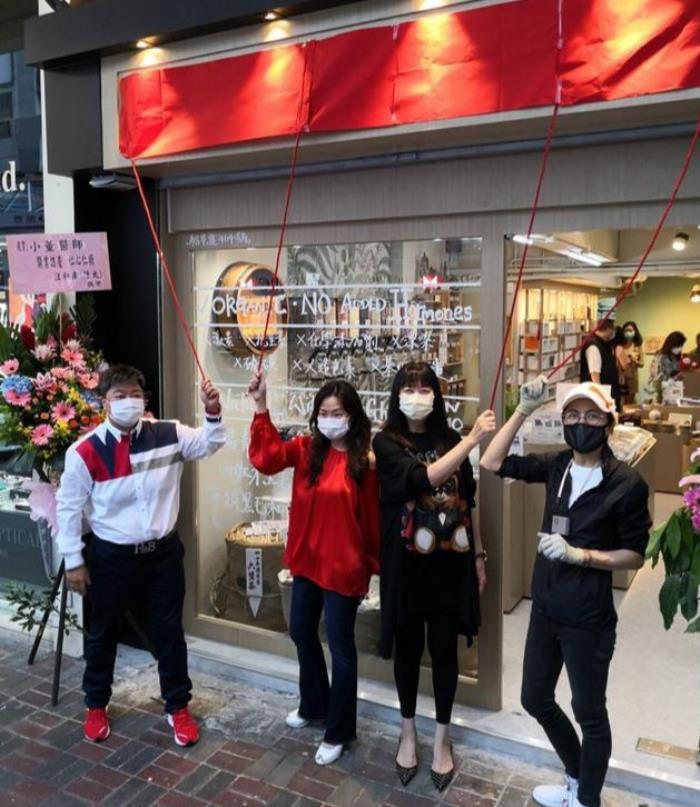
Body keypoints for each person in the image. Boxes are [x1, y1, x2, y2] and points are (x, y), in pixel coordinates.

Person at [481, 379, 651, 807]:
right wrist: (523, 409)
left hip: (588, 618)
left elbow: (634, 554)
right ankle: (577, 777)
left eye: (592, 416)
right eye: (572, 415)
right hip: (546, 607)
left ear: (608, 423)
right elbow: (491, 461)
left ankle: (587, 798)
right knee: (534, 698)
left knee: (589, 713)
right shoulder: (557, 466)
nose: (581, 423)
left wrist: (583, 555)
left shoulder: (627, 483)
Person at [57, 365, 225, 746]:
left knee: (169, 633)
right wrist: (74, 561)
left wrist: (212, 410)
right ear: (104, 402)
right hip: (111, 557)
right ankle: (96, 703)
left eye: (135, 394)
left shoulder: (168, 433)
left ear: (144, 399)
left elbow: (210, 443)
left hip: (162, 555)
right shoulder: (84, 451)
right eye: (119, 396)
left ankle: (178, 706)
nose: (129, 402)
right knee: (103, 632)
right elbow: (68, 508)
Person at [372, 361, 496, 792]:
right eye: (409, 388)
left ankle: (442, 738)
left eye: (425, 388)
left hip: (449, 565)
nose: (417, 395)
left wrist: (478, 555)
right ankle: (408, 732)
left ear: (436, 396)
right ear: (397, 395)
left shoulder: (450, 440)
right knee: (407, 649)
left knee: (445, 651)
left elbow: (468, 502)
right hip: (404, 566)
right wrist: (473, 441)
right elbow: (421, 479)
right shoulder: (386, 442)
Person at [247, 371, 379, 766]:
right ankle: (314, 704)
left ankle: (339, 730)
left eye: (337, 413)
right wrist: (260, 406)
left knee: (340, 647)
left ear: (352, 416)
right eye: (324, 412)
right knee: (301, 630)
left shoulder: (364, 463)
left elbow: (372, 520)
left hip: (344, 567)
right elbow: (267, 459)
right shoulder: (306, 449)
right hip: (307, 560)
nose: (329, 419)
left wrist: (372, 567)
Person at [580, 320, 620, 410]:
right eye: (613, 329)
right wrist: (602, 400)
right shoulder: (593, 347)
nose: (613, 333)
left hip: (608, 394)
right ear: (608, 329)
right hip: (600, 399)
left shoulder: (604, 345)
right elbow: (595, 376)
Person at [614, 321, 644, 406]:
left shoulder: (637, 346)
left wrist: (635, 361)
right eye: (626, 330)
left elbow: (642, 364)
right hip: (620, 376)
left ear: (635, 332)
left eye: (631, 330)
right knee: (620, 401)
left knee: (630, 401)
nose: (628, 332)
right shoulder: (619, 345)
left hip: (632, 377)